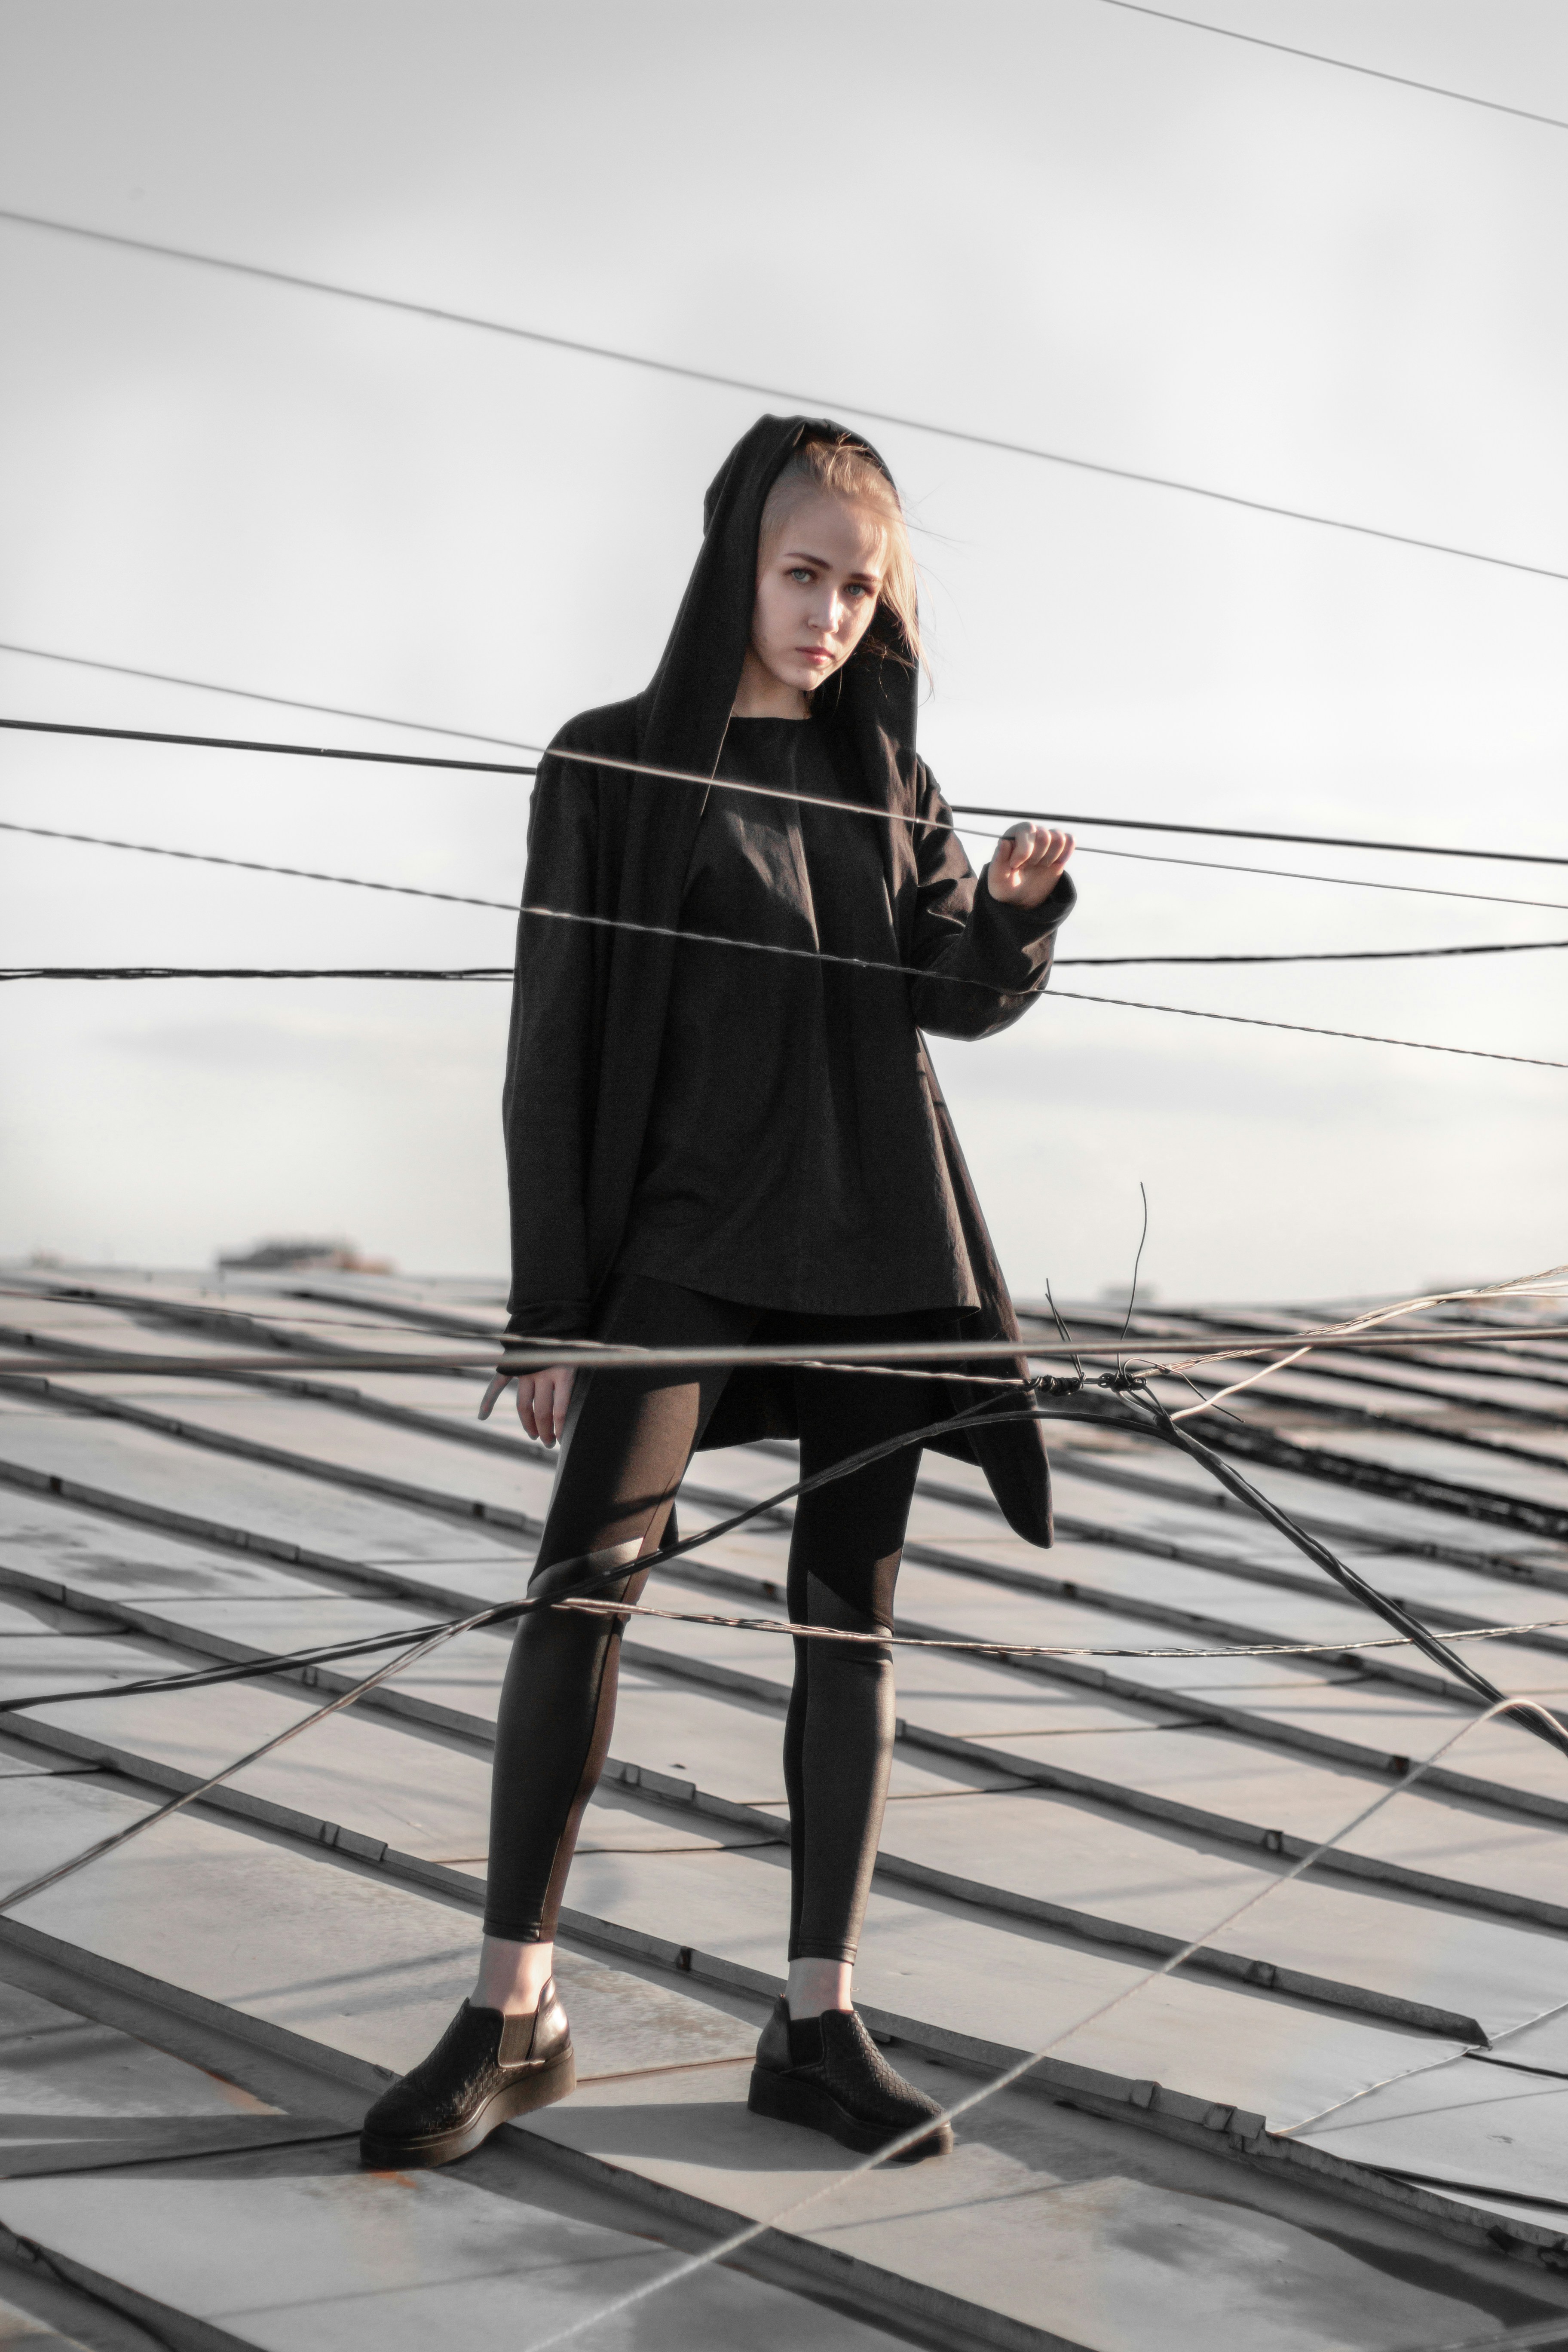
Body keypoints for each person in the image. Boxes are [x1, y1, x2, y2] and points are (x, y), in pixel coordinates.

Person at [360, 414, 1075, 2173]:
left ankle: (817, 2029)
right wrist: (550, 1307)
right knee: (577, 1599)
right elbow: (551, 1044)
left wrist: (1008, 918)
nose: (828, 612)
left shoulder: (893, 784)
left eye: (859, 585)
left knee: (850, 1633)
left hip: (876, 1255)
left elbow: (950, 997)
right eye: (801, 572)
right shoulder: (607, 769)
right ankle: (512, 2011)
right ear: (737, 564)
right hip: (681, 1247)